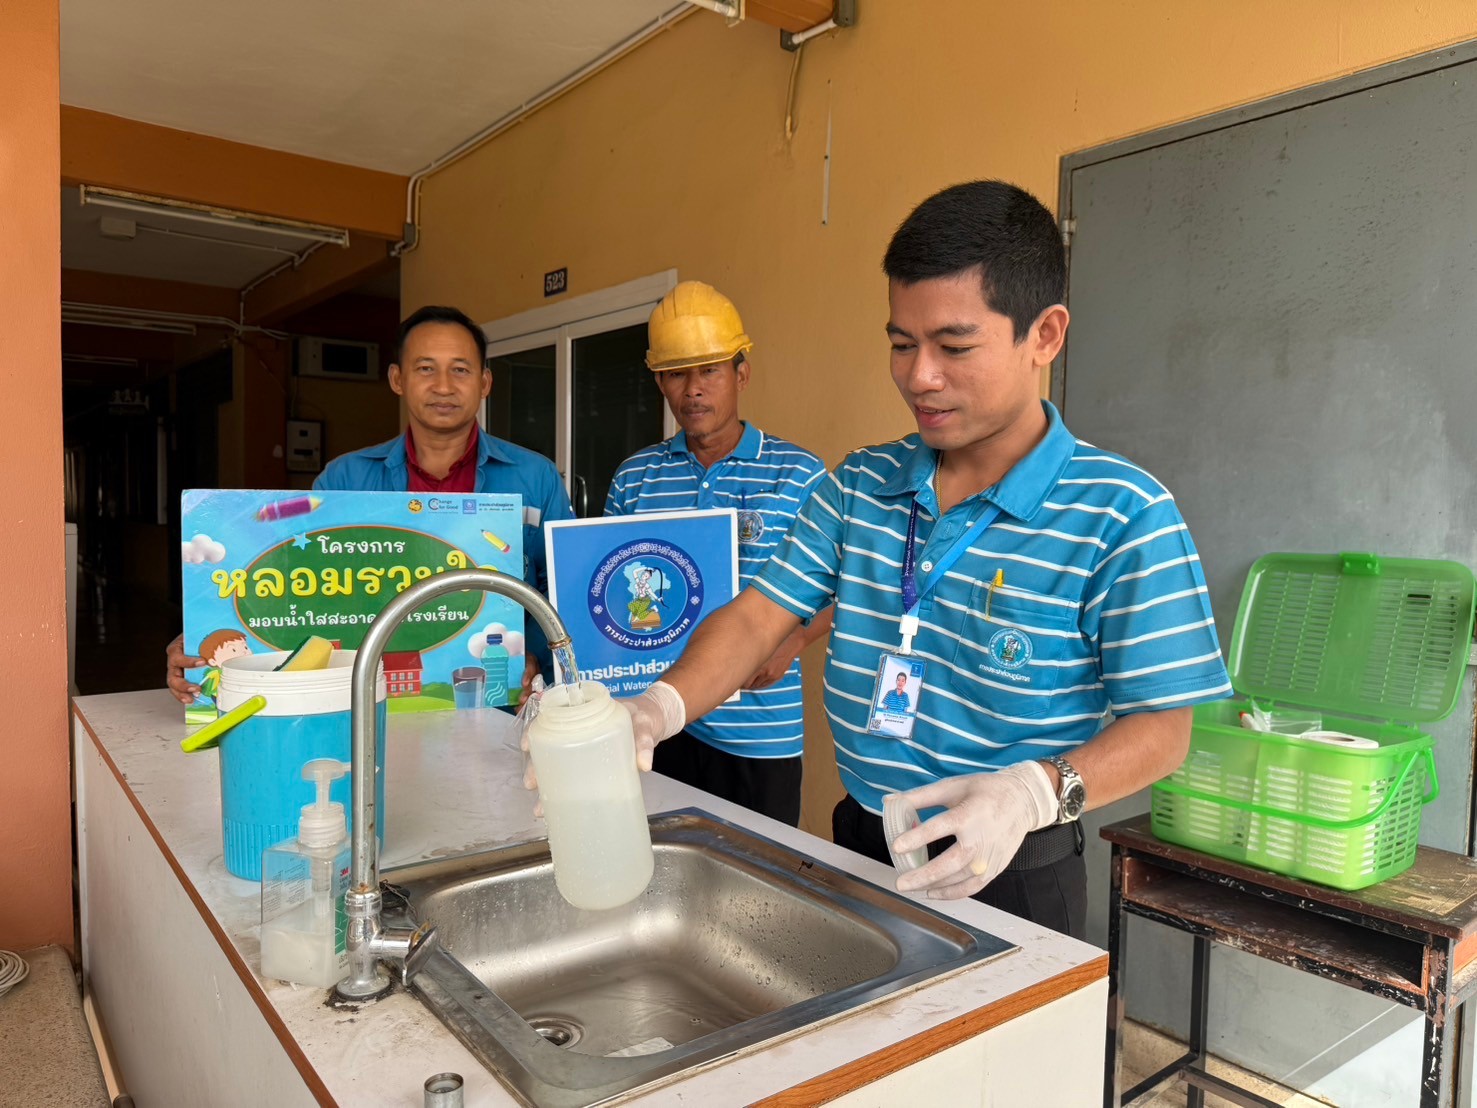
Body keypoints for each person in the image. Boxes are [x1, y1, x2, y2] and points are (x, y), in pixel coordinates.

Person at [604, 183, 1231, 937]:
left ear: (1045, 335)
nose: (918, 376)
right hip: (863, 835)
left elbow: (1164, 729)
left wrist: (1032, 792)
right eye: (901, 344)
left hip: (1011, 862)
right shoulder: (859, 485)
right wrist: (657, 708)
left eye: (954, 347)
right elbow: (758, 617)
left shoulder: (1122, 515)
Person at [167, 305, 574, 703]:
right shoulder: (344, 481)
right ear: (397, 378)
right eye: (426, 368)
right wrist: (202, 638)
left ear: (485, 382)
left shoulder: (534, 477)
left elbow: (559, 592)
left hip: (502, 705)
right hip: (364, 705)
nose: (444, 386)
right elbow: (293, 593)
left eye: (461, 369)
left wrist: (532, 655)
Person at [603, 281, 832, 827]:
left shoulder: (798, 473)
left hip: (759, 730)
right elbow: (607, 585)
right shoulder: (635, 477)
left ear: (741, 373)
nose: (694, 390)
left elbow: (852, 585)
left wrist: (793, 639)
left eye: (709, 370)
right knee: (657, 868)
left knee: (758, 884)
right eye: (678, 373)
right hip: (655, 720)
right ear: (659, 380)